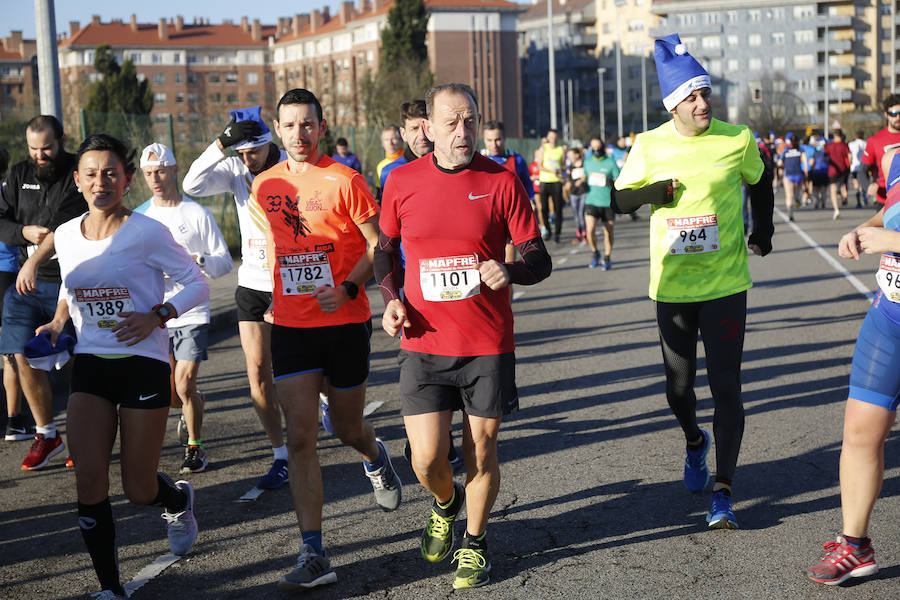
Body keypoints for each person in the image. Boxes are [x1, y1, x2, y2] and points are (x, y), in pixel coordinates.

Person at [375, 82, 552, 589]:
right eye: (452, 121)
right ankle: (446, 502)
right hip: (424, 341)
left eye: (470, 120)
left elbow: (539, 258)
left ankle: (475, 544)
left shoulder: (502, 181)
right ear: (427, 128)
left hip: (486, 343)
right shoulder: (401, 181)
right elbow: (385, 251)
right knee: (426, 457)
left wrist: (508, 270)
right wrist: (391, 301)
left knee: (482, 449)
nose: (463, 131)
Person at [612, 33, 774, 530]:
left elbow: (761, 180)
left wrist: (761, 229)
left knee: (727, 386)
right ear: (673, 106)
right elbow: (618, 201)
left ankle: (722, 491)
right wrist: (653, 192)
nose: (702, 104)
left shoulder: (736, 138)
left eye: (705, 94)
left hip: (726, 284)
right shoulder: (649, 144)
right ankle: (693, 441)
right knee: (679, 389)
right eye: (691, 97)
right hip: (673, 288)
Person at [38, 133, 207, 599]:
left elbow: (197, 283)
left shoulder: (147, 232)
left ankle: (176, 498)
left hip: (144, 363)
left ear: (126, 179)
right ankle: (110, 588)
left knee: (137, 487)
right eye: (91, 174)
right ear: (78, 180)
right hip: (91, 364)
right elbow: (73, 284)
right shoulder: (69, 234)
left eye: (110, 173)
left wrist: (159, 315)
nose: (101, 182)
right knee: (89, 475)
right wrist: (57, 322)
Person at [248, 88, 402, 591]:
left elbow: (380, 245)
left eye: (307, 124)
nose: (299, 134)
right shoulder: (264, 185)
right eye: (290, 125)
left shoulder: (346, 181)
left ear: (320, 125)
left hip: (344, 322)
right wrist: (274, 290)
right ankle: (313, 550)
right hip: (291, 325)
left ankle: (375, 456)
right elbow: (273, 245)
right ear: (278, 128)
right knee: (299, 437)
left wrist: (350, 285)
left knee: (346, 427)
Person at [181, 105, 291, 489]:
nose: (246, 161)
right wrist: (220, 144)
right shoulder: (234, 170)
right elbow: (191, 185)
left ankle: (325, 404)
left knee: (300, 369)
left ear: (268, 143)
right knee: (257, 371)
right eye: (240, 153)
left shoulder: (289, 166)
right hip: (252, 283)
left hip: (290, 282)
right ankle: (281, 455)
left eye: (252, 152)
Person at [805, 148, 900, 585]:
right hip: (889, 318)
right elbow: (892, 210)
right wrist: (867, 228)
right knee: (860, 433)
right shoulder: (896, 159)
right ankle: (855, 545)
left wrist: (894, 241)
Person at [135, 142, 233, 474]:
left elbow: (223, 263)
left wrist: (199, 260)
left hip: (191, 309)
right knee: (174, 391)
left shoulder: (196, 214)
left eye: (161, 171)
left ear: (175, 170)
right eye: (148, 173)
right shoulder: (139, 217)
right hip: (156, 313)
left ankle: (195, 447)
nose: (155, 179)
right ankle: (192, 406)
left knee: (184, 382)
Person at [0, 115, 86, 470]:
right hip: (25, 283)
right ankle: (46, 433)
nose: (40, 155)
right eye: (34, 148)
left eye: (47, 148)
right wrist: (22, 233)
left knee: (76, 360)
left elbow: (64, 227)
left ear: (61, 140)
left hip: (67, 281)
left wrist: (34, 258)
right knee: (19, 352)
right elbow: (2, 221)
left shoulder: (77, 173)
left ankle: (83, 434)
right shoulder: (18, 175)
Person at [0, 147, 27, 442]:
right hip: (9, 274)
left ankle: (16, 420)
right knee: (15, 353)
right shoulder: (10, 194)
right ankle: (16, 420)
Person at [583, 135, 619, 269]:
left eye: (598, 146)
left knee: (608, 232)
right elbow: (584, 176)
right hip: (591, 200)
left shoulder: (610, 162)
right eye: (593, 147)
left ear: (603, 147)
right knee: (590, 229)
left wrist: (611, 182)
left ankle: (607, 257)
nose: (596, 149)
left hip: (607, 202)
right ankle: (595, 252)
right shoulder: (587, 162)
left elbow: (618, 180)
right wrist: (580, 183)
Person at [860, 94, 900, 211]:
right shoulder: (875, 140)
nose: (897, 117)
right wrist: (868, 186)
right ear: (886, 115)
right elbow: (862, 171)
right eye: (893, 114)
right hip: (885, 202)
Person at [538, 128, 565, 242]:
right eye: (551, 137)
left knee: (558, 208)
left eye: (554, 137)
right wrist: (551, 171)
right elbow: (540, 166)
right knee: (544, 208)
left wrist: (559, 170)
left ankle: (557, 233)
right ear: (547, 138)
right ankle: (548, 230)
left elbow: (563, 166)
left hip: (556, 181)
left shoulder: (561, 149)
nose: (553, 140)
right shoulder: (543, 149)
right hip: (545, 181)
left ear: (557, 138)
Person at [778, 136, 807, 221]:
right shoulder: (800, 149)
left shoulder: (786, 150)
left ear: (790, 142)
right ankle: (797, 198)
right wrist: (806, 172)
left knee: (788, 195)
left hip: (789, 174)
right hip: (798, 173)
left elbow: (779, 162)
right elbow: (805, 160)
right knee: (797, 190)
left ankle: (790, 212)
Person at [826, 130, 851, 220]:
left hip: (832, 170)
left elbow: (824, 155)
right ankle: (844, 197)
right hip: (843, 169)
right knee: (843, 185)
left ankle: (836, 210)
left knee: (833, 190)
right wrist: (849, 165)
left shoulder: (830, 145)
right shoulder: (844, 145)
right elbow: (849, 156)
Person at [375, 125, 404, 203]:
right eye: (386, 140)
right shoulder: (380, 166)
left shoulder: (411, 160)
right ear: (382, 143)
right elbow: (380, 193)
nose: (390, 143)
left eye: (393, 139)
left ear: (402, 140)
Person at [566, 148, 587, 245]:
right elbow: (568, 180)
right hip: (573, 193)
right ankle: (578, 234)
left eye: (571, 155)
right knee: (576, 215)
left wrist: (582, 180)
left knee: (581, 214)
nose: (570, 158)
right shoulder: (570, 167)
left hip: (583, 192)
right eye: (568, 156)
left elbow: (587, 175)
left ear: (577, 155)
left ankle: (585, 234)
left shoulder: (584, 164)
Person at [849, 130, 868, 207]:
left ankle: (858, 201)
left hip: (854, 167)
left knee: (856, 184)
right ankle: (864, 197)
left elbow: (849, 156)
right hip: (864, 166)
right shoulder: (866, 144)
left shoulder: (851, 144)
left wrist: (850, 163)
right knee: (864, 183)